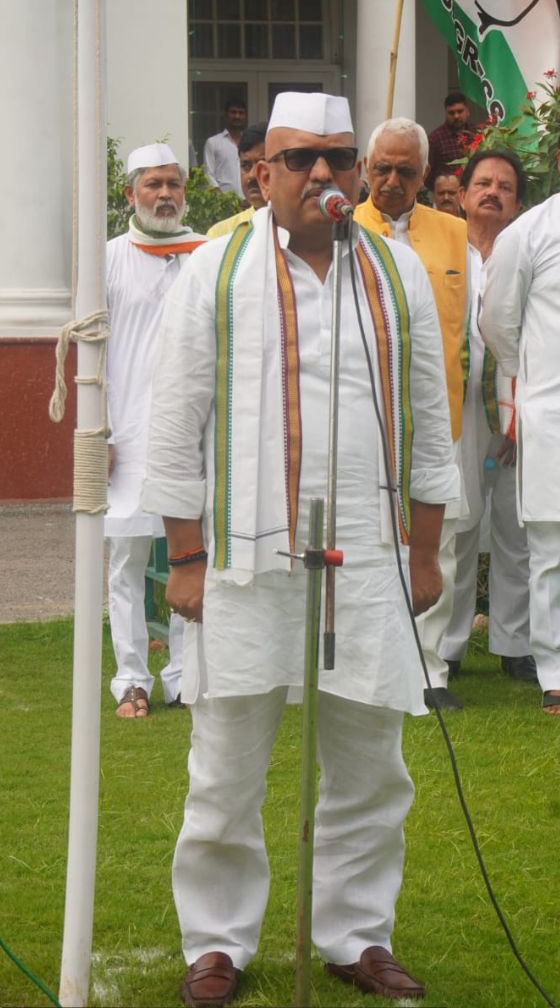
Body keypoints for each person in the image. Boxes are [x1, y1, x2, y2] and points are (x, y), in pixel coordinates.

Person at [146, 91, 455, 1006]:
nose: (323, 174)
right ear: (263, 172)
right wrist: (187, 556)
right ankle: (216, 943)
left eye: (339, 157)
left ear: (359, 171)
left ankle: (357, 935)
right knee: (227, 759)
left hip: (368, 554)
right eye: (301, 159)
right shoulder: (215, 266)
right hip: (245, 557)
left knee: (371, 760)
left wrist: (429, 551)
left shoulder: (395, 272)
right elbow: (176, 418)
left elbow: (430, 418)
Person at [353, 116, 486, 712]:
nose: (391, 180)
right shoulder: (341, 229)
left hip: (441, 414)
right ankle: (367, 661)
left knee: (443, 541)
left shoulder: (455, 235)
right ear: (363, 170)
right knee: (365, 537)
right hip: (362, 414)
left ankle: (431, 671)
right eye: (381, 168)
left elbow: (476, 330)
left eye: (405, 171)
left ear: (425, 175)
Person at [479, 103, 560, 714]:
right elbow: (499, 322)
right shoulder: (528, 233)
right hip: (557, 414)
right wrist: (538, 385)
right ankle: (558, 673)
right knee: (554, 550)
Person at [104, 143, 201, 718]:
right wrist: (100, 433)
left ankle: (185, 678)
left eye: (173, 184)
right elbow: (92, 351)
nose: (165, 195)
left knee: (193, 552)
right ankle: (130, 680)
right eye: (153, 185)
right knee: (126, 560)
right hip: (128, 435)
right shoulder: (109, 257)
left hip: (190, 434)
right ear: (130, 194)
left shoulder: (205, 254)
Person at [452, 148, 533, 683]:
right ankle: (450, 644)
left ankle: (515, 643)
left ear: (518, 202)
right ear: (461, 194)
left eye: (505, 186)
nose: (493, 192)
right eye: (482, 182)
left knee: (516, 525)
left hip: (517, 410)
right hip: (457, 413)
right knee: (456, 525)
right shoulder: (440, 250)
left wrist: (521, 410)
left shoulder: (528, 250)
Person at [205, 124, 269, 238]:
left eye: (262, 165)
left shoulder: (301, 232)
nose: (253, 175)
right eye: (246, 166)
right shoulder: (220, 234)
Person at [426, 92, 477, 185]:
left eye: (460, 111)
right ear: (446, 113)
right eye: (451, 113)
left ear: (468, 112)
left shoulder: (477, 134)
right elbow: (427, 173)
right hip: (448, 195)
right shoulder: (435, 139)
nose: (456, 116)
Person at [201, 98, 246, 195]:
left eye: (241, 113)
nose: (237, 116)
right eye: (233, 112)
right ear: (226, 115)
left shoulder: (248, 143)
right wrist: (222, 200)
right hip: (223, 205)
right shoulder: (213, 142)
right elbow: (208, 174)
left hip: (248, 203)